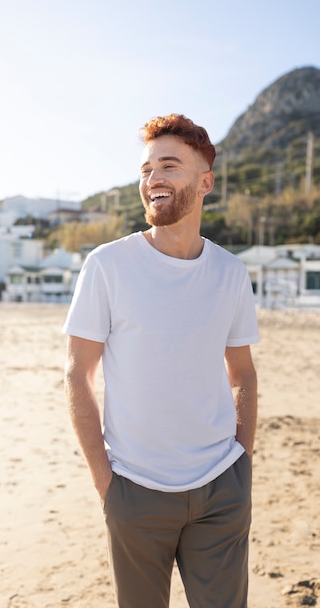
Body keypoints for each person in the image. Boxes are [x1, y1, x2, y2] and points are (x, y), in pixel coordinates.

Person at [62, 113, 260, 608]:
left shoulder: (230, 273)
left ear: (205, 182)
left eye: (169, 166)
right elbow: (78, 376)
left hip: (221, 490)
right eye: (147, 170)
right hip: (135, 490)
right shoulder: (107, 265)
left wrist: (241, 464)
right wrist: (108, 486)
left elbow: (244, 375)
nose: (153, 180)